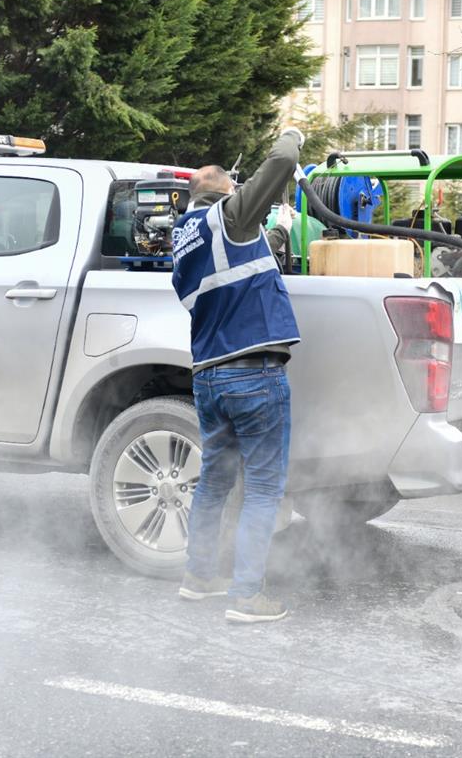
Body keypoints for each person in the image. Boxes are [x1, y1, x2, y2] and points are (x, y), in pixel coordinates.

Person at [170, 128, 303, 624]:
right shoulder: (231, 214)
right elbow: (285, 157)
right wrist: (293, 133)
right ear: (230, 190)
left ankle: (199, 577)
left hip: (208, 377)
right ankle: (248, 596)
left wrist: (272, 240)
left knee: (214, 483)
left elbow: (232, 268)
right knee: (265, 488)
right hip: (254, 372)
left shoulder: (183, 238)